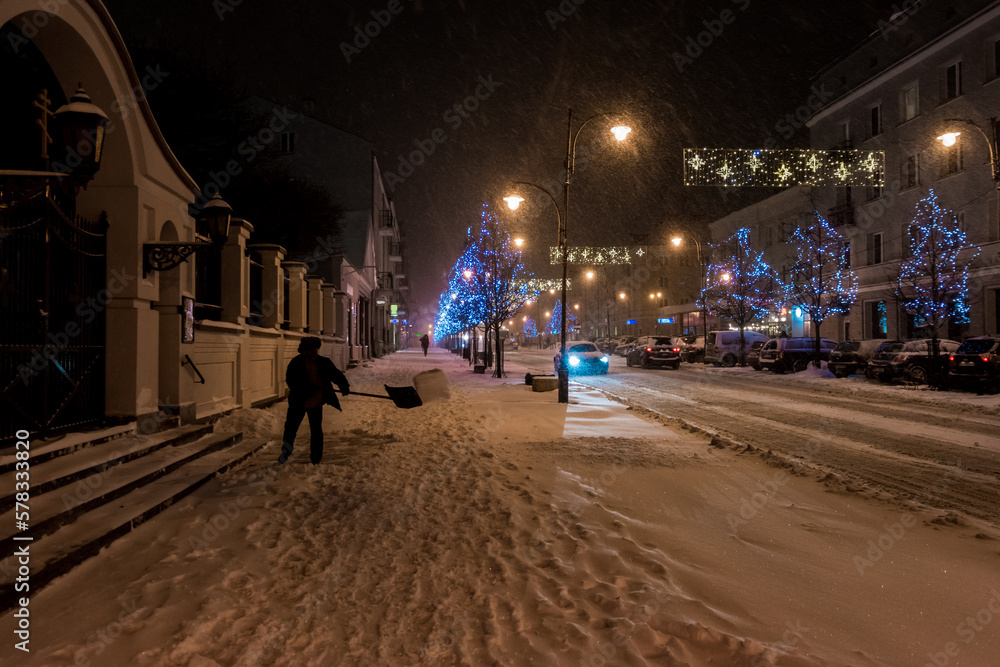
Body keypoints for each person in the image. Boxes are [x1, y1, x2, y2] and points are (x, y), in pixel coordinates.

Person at [278, 337, 350, 465]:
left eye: (316, 349)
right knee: (291, 428)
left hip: (316, 401)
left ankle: (316, 457)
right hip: (298, 401)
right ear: (304, 351)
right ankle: (285, 452)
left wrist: (344, 386)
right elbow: (291, 381)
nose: (314, 352)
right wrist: (305, 388)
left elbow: (335, 374)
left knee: (316, 430)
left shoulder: (323, 362)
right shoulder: (296, 363)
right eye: (311, 350)